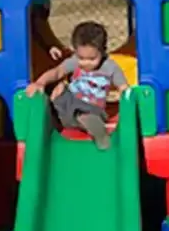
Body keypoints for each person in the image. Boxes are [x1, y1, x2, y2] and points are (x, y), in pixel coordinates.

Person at [24, 21, 129, 149]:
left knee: (88, 115)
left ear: (103, 51)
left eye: (92, 59)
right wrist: (40, 82)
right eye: (81, 58)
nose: (85, 63)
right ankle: (51, 119)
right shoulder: (75, 61)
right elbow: (58, 72)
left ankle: (95, 128)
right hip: (71, 100)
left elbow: (123, 88)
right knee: (58, 91)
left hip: (91, 107)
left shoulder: (110, 67)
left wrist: (127, 99)